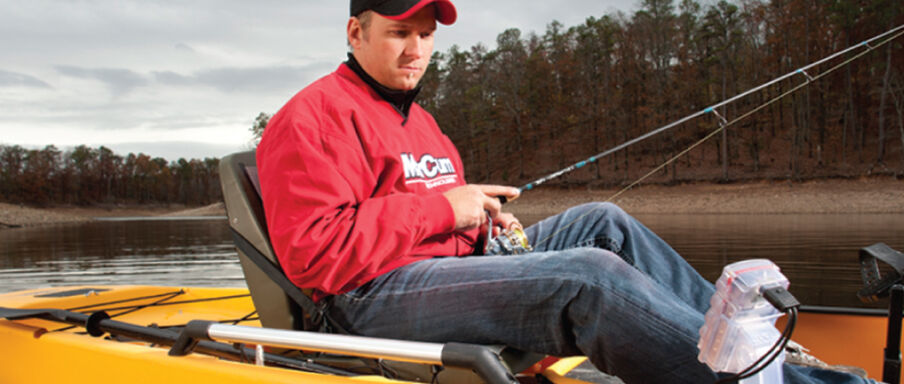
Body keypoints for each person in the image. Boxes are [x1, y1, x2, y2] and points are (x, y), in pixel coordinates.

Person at [255, 1, 872, 383]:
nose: (416, 49)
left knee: (604, 221)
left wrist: (476, 221)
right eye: (398, 32)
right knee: (588, 276)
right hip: (365, 298)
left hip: (446, 266)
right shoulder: (311, 118)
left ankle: (745, 350)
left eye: (425, 34)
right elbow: (317, 255)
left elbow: (423, 215)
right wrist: (445, 207)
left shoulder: (420, 121)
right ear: (355, 31)